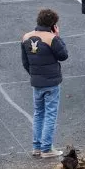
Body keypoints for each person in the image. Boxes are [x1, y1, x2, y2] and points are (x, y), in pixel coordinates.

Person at [21, 9, 69, 158]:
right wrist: (57, 36)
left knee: (38, 113)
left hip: (37, 82)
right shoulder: (52, 38)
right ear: (53, 24)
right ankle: (47, 148)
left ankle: (36, 147)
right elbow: (63, 55)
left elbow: (25, 62)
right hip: (52, 82)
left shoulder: (26, 37)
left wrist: (35, 75)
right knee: (50, 114)